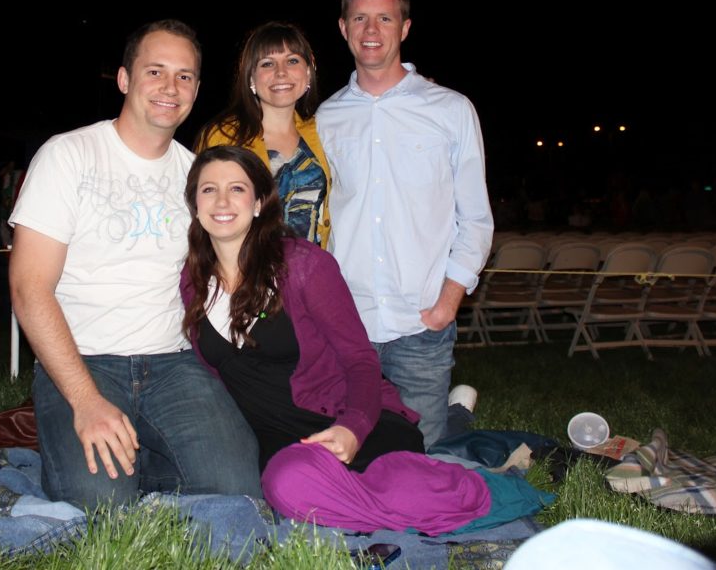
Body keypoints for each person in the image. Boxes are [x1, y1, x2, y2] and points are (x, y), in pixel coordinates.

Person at [8, 19, 260, 509]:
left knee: (238, 491)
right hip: (83, 361)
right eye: (156, 71)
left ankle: (142, 458)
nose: (171, 88)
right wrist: (84, 402)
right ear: (124, 79)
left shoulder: (197, 176)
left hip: (173, 364)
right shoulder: (68, 155)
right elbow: (28, 289)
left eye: (185, 76)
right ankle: (88, 448)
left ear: (197, 89)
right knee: (101, 506)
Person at [179, 145, 491, 533]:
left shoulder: (303, 264)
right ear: (194, 203)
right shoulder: (193, 283)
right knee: (287, 482)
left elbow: (360, 360)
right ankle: (400, 499)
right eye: (209, 190)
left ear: (259, 202)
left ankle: (415, 484)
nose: (222, 200)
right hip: (282, 446)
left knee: (391, 488)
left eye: (237, 189)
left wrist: (353, 427)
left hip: (350, 421)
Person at [316, 0, 494, 451]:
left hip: (419, 323)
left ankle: (452, 416)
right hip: (345, 323)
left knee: (422, 456)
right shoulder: (324, 118)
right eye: (360, 17)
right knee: (352, 454)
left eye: (384, 17)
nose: (371, 29)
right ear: (343, 27)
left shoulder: (451, 109)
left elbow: (475, 218)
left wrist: (447, 303)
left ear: (405, 28)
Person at [195, 22, 331, 247]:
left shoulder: (322, 132)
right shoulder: (223, 137)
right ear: (251, 78)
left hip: (311, 273)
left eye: (292, 60)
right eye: (267, 63)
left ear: (308, 72)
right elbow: (199, 212)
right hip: (247, 274)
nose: (281, 72)